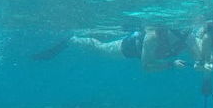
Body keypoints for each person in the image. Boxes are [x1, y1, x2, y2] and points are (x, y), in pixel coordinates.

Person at [32, 26, 188, 72]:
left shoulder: (182, 38)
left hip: (132, 44)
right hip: (124, 49)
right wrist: (170, 65)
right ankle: (72, 40)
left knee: (102, 45)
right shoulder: (152, 37)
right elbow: (146, 67)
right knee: (100, 48)